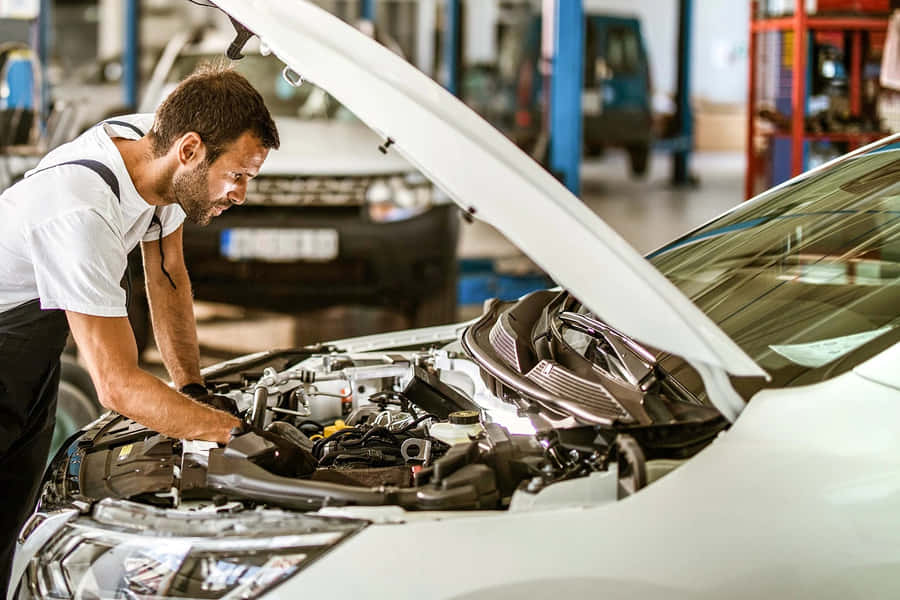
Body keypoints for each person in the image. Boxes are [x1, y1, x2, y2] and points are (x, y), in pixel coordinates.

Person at [0, 63, 281, 596]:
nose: (241, 193)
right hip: (5, 340)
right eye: (237, 174)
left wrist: (193, 389)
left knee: (14, 524)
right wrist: (234, 437)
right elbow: (117, 385)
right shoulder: (81, 212)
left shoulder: (155, 150)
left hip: (30, 349)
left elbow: (168, 273)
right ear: (192, 150)